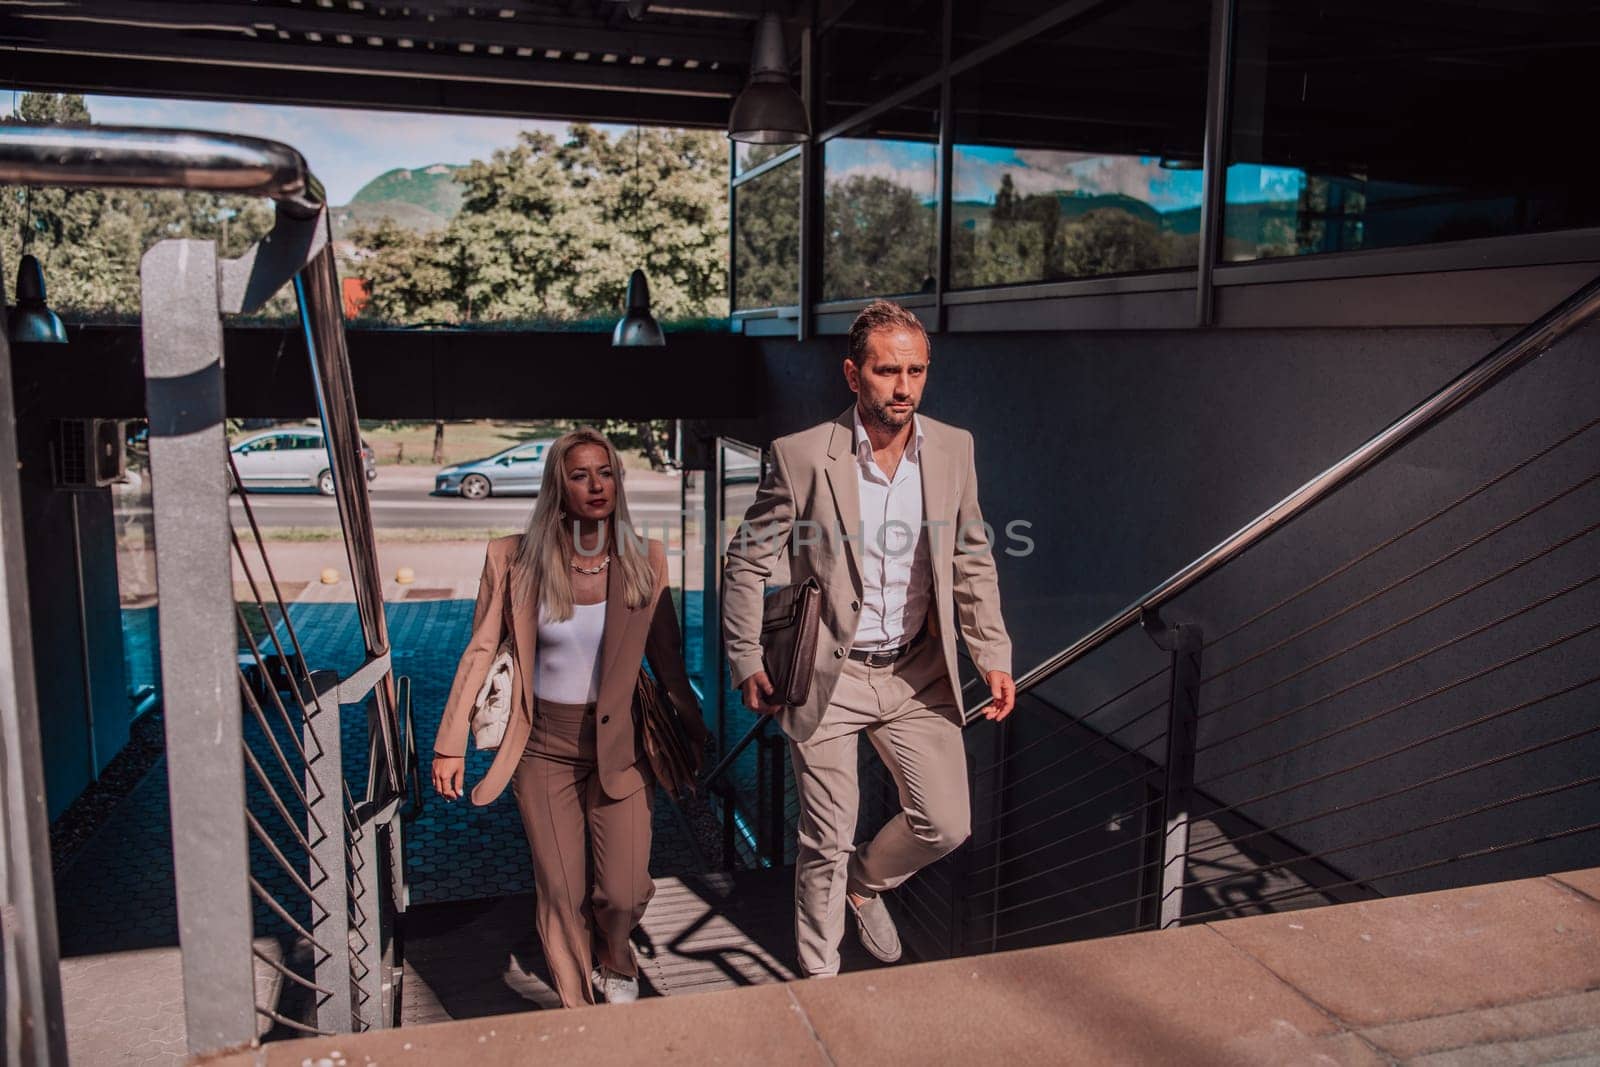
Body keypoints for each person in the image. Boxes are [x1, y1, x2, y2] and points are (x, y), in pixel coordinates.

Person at [723, 299, 1016, 979]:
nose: (904, 386)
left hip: (918, 671)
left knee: (945, 821)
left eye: (916, 370)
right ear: (853, 375)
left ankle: (866, 883)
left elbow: (972, 557)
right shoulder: (800, 457)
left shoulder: (953, 448)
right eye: (888, 371)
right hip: (833, 672)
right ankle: (820, 980)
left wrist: (992, 652)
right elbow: (745, 560)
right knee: (824, 835)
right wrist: (743, 657)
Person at [431, 427, 707, 1008]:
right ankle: (581, 1013)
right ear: (558, 485)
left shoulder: (645, 559)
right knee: (560, 889)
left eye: (604, 472)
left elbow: (668, 657)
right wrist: (449, 742)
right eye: (579, 475)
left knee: (624, 893)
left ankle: (614, 950)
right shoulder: (512, 557)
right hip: (542, 748)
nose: (595, 485)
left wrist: (693, 726)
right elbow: (481, 648)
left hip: (624, 745)